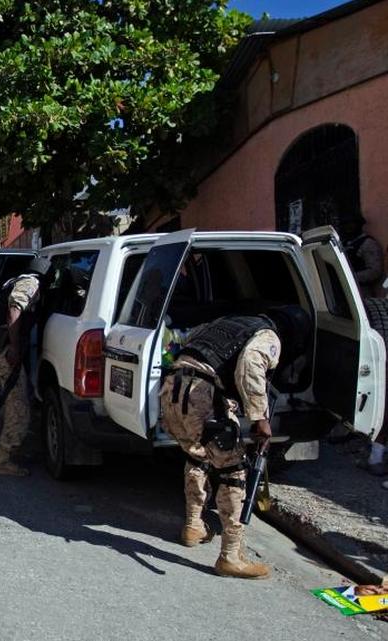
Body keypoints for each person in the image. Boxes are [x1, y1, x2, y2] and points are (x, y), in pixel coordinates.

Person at [158, 306, 310, 579]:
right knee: (233, 473)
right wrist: (259, 418)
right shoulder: (269, 337)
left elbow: (182, 344)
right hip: (201, 393)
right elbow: (250, 365)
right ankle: (230, 556)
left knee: (197, 456)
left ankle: (193, 526)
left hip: (172, 390)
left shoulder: (224, 322)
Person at [0, 256, 53, 476]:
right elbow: (14, 310)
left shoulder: (13, 281)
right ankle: (4, 459)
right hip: (2, 349)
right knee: (18, 403)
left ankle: (5, 449)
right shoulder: (31, 283)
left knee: (12, 398)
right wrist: (14, 346)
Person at [341, 214, 383, 299]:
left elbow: (375, 271)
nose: (348, 227)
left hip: (362, 291)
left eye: (351, 223)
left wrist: (351, 277)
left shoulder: (368, 243)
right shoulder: (344, 243)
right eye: (345, 224)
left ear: (359, 225)